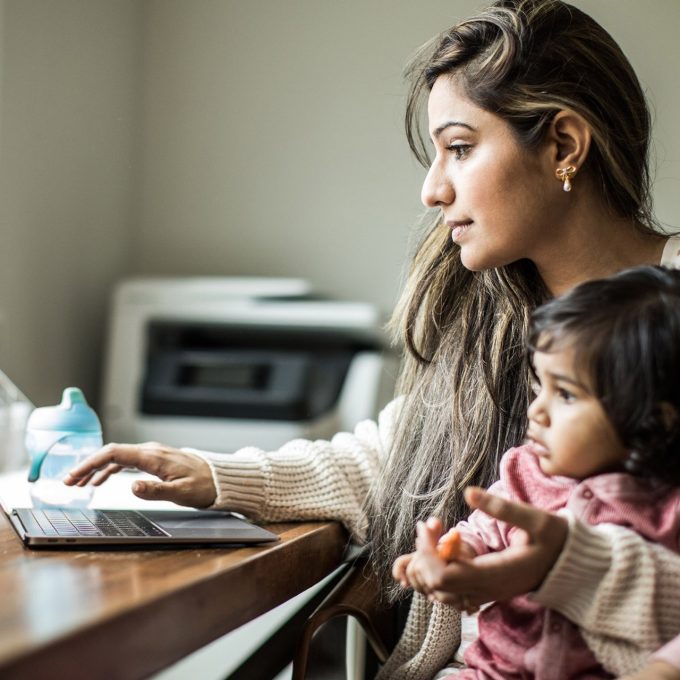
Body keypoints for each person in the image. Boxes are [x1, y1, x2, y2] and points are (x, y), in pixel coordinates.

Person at [65, 1, 680, 677]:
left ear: (563, 145)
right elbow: (397, 463)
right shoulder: (497, 313)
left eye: (461, 147)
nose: (431, 189)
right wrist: (214, 475)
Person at [393, 265, 680, 678]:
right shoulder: (524, 473)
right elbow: (479, 533)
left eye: (565, 393)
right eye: (537, 387)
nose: (536, 410)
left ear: (655, 420)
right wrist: (451, 558)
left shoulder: (668, 506)